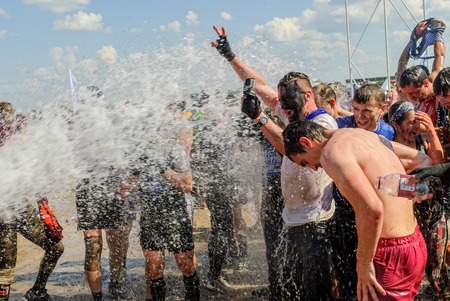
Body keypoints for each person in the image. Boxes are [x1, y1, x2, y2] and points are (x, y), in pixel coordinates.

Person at [212, 25, 338, 300]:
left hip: (316, 220)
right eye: (281, 101)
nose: (282, 105)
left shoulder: (322, 122)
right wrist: (231, 56)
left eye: (288, 100)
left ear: (307, 95)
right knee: (289, 280)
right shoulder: (291, 112)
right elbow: (262, 87)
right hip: (292, 217)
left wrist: (260, 117)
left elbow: (292, 148)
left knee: (315, 287)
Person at [282, 119, 432, 301]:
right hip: (415, 244)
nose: (314, 168)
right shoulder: (365, 136)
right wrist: (413, 191)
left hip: (390, 255)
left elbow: (372, 209)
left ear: (306, 142)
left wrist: (364, 263)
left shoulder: (330, 154)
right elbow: (423, 160)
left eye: (305, 162)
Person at [0, 102, 65, 301]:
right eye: (6, 120)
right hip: (3, 216)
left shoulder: (18, 143)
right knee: (5, 272)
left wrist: (43, 204)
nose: (9, 124)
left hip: (20, 209)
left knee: (56, 247)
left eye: (11, 120)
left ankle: (37, 291)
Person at [137, 101, 200, 301]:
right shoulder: (139, 154)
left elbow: (188, 185)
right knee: (154, 265)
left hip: (174, 209)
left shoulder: (174, 151)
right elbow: (125, 189)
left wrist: (163, 169)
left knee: (185, 262)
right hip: (150, 210)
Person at [387, 100, 450, 297]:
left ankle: (443, 294)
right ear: (396, 124)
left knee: (436, 269)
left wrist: (431, 131)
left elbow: (439, 165)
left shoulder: (423, 141)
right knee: (411, 268)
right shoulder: (388, 148)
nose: (416, 126)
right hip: (405, 219)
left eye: (418, 121)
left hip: (432, 213)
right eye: (411, 122)